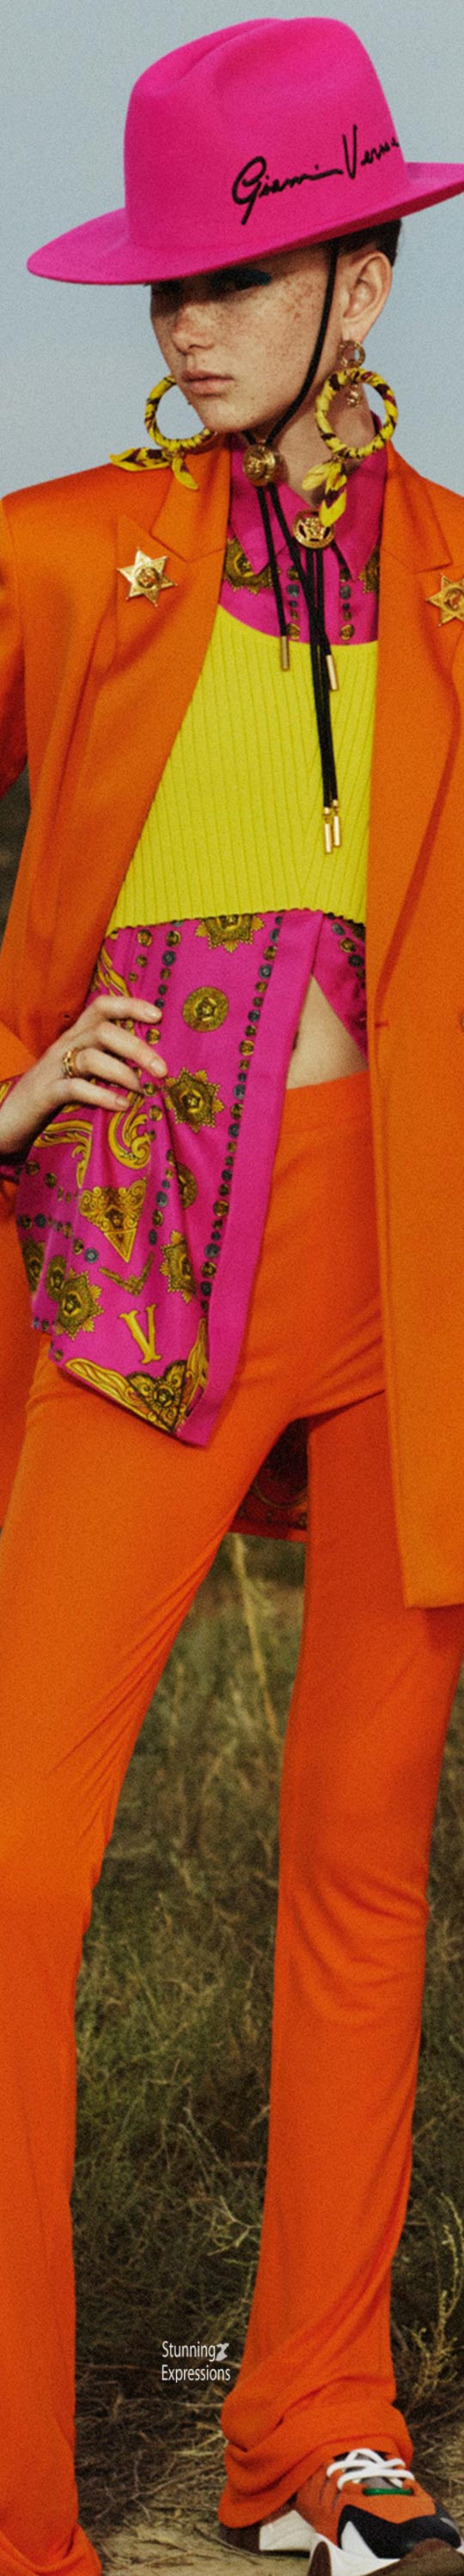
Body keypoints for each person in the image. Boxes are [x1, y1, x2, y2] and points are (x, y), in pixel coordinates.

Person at [1, 15, 464, 2575]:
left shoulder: (460, 569)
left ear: (360, 277)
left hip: (420, 1269)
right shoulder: (67, 549)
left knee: (365, 1849)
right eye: (164, 284)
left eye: (237, 278)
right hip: (150, 1255)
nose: (186, 327)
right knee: (14, 1849)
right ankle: (13, 2496)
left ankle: (316, 2427)